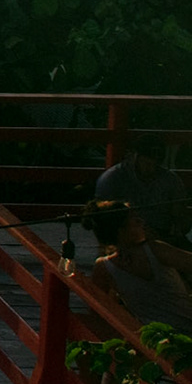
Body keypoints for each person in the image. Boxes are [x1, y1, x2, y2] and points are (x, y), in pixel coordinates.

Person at [82, 198, 192, 331]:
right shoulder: (155, 250)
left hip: (153, 337)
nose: (142, 222)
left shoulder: (105, 267)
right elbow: (99, 310)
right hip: (163, 336)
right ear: (121, 230)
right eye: (135, 220)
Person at [95, 135, 189, 246]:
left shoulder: (170, 180)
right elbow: (103, 218)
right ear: (135, 157)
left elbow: (180, 215)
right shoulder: (114, 178)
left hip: (163, 236)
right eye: (147, 163)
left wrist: (177, 229)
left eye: (156, 163)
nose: (152, 168)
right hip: (126, 236)